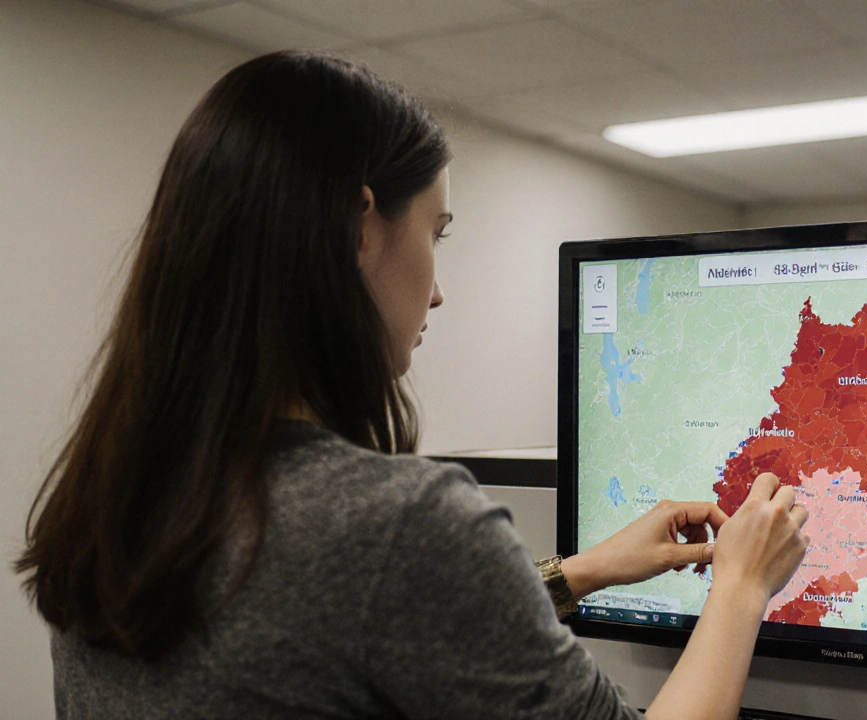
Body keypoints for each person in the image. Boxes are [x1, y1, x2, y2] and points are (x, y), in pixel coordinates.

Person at [14, 51, 809, 720]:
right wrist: (741, 584)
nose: (435, 291)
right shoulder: (398, 526)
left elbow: (344, 630)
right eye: (436, 233)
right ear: (360, 228)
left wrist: (576, 574)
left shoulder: (111, 505)